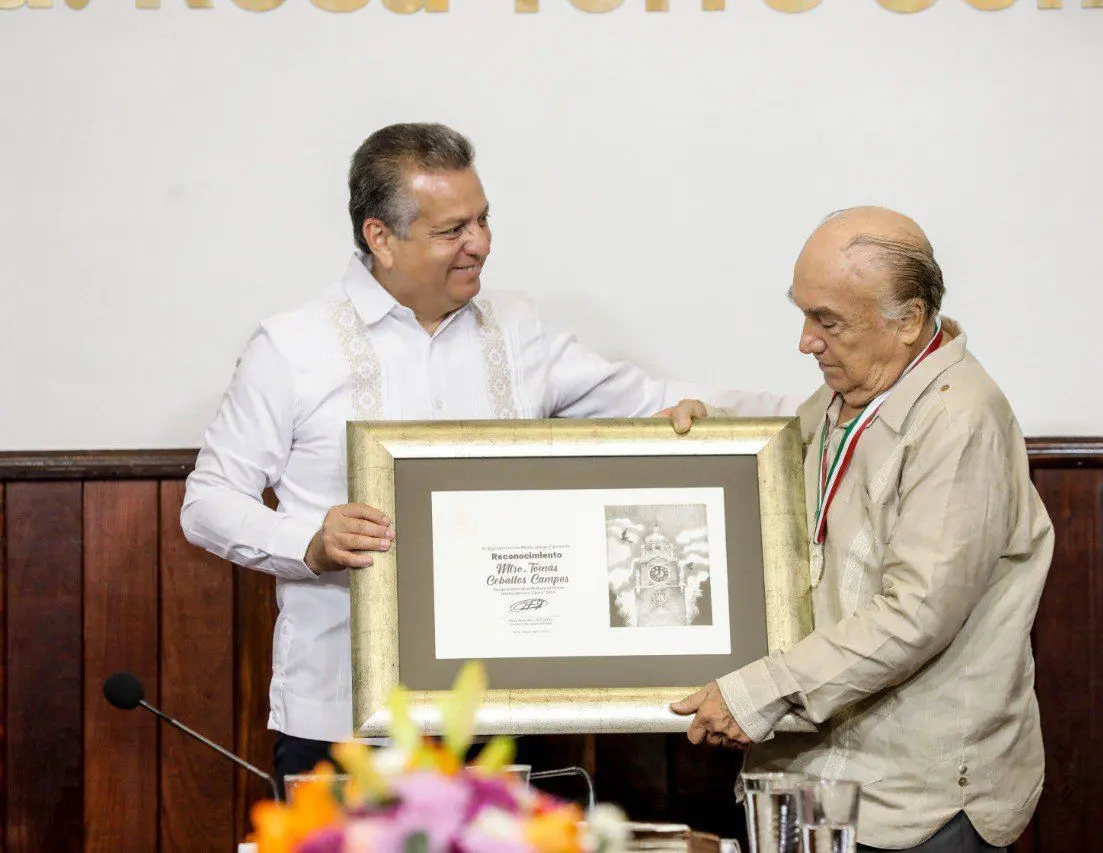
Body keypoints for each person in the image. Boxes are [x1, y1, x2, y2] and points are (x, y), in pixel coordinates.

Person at [180, 122, 794, 788]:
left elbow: (648, 396)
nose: (479, 244)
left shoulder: (517, 327)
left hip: (500, 713)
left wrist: (802, 408)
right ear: (380, 238)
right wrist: (310, 538)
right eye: (451, 230)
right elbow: (208, 501)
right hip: (341, 716)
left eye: (482, 220)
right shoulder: (291, 347)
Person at [671, 207, 1054, 851]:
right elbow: (786, 494)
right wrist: (711, 437)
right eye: (803, 313)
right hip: (816, 785)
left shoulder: (958, 419)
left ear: (907, 320)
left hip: (916, 806)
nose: (806, 341)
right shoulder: (848, 397)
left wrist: (758, 692)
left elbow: (916, 614)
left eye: (828, 321)